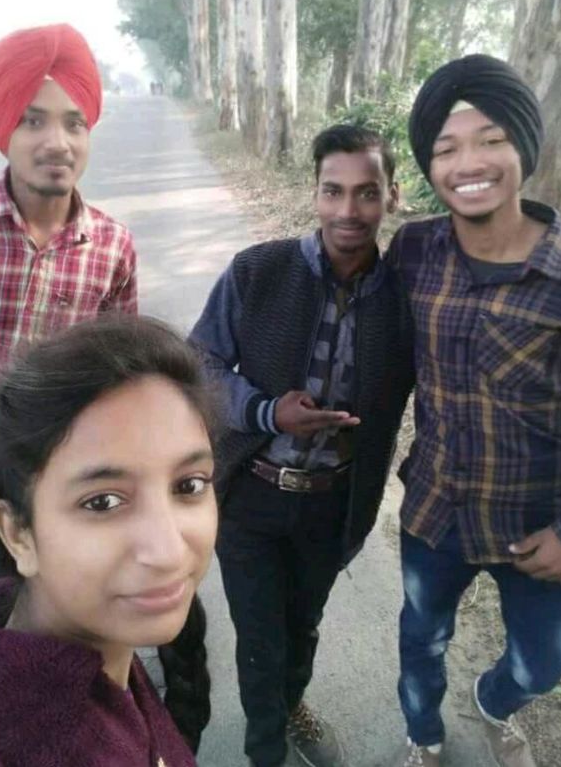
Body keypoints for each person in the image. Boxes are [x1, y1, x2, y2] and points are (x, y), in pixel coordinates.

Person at [190, 124, 414, 767]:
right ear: (314, 193)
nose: (349, 210)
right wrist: (266, 412)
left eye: (367, 192)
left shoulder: (404, 299)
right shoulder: (259, 271)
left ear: (392, 196)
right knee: (260, 640)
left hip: (334, 502)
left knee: (303, 625)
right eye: (333, 191)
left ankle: (292, 705)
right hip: (251, 494)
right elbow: (199, 363)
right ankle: (266, 750)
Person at [0, 316, 217, 765]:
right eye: (102, 502)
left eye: (189, 485)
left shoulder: (104, 649)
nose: (169, 552)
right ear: (17, 534)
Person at [387, 54, 561, 767]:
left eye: (491, 140)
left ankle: (494, 701)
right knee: (420, 639)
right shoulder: (414, 250)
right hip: (435, 510)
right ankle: (424, 737)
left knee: (542, 665)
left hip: (534, 528)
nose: (469, 163)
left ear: (524, 147)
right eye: (446, 148)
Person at [0, 24, 138, 592]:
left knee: (62, 640)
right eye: (33, 120)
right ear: (3, 130)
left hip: (66, 499)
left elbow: (122, 379)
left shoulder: (112, 246)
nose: (58, 142)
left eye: (75, 123)